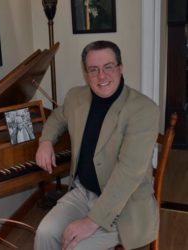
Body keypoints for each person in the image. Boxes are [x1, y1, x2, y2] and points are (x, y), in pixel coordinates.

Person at [34, 40, 159, 250]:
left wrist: (90, 222)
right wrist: (45, 141)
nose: (102, 76)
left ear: (120, 68)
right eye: (94, 69)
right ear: (86, 73)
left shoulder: (143, 110)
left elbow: (128, 174)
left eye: (108, 67)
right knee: (44, 233)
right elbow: (57, 117)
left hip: (124, 205)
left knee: (75, 247)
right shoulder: (77, 96)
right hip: (84, 192)